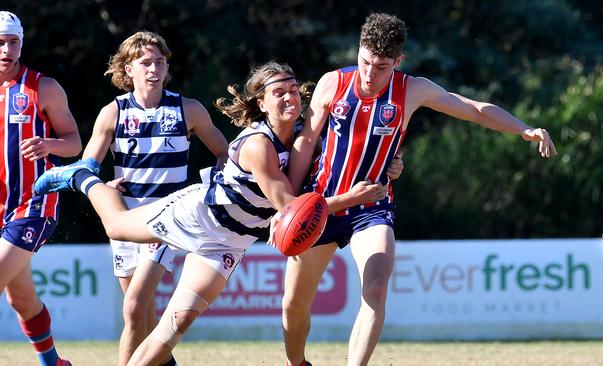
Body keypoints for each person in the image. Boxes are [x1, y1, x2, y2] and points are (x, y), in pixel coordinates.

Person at [33, 61, 388, 366]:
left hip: (230, 244)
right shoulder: (258, 144)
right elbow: (287, 207)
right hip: (199, 215)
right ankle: (81, 176)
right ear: (261, 103)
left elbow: (343, 157)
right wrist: (350, 199)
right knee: (116, 225)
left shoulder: (303, 137)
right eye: (278, 92)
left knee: (178, 321)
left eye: (294, 90)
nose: (289, 97)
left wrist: (392, 164)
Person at [282, 13, 558, 366]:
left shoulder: (412, 89)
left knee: (377, 289)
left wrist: (524, 130)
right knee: (294, 305)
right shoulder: (332, 83)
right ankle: (297, 363)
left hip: (373, 207)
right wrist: (289, 202)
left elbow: (474, 109)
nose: (369, 74)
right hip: (324, 205)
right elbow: (306, 143)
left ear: (398, 62)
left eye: (381, 66)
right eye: (364, 61)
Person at [82, 31, 228, 366]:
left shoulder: (187, 109)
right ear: (127, 69)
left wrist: (216, 187)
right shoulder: (113, 112)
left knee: (133, 307)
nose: (154, 68)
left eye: (159, 62)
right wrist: (103, 183)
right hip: (124, 220)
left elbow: (224, 154)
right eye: (145, 62)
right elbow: (86, 168)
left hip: (165, 220)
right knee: (144, 316)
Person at [0, 11, 82, 366]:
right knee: (21, 299)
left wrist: (49, 146)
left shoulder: (42, 87)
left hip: (32, 206)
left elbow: (75, 141)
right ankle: (54, 364)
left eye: (13, 41)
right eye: (0, 42)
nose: (6, 49)